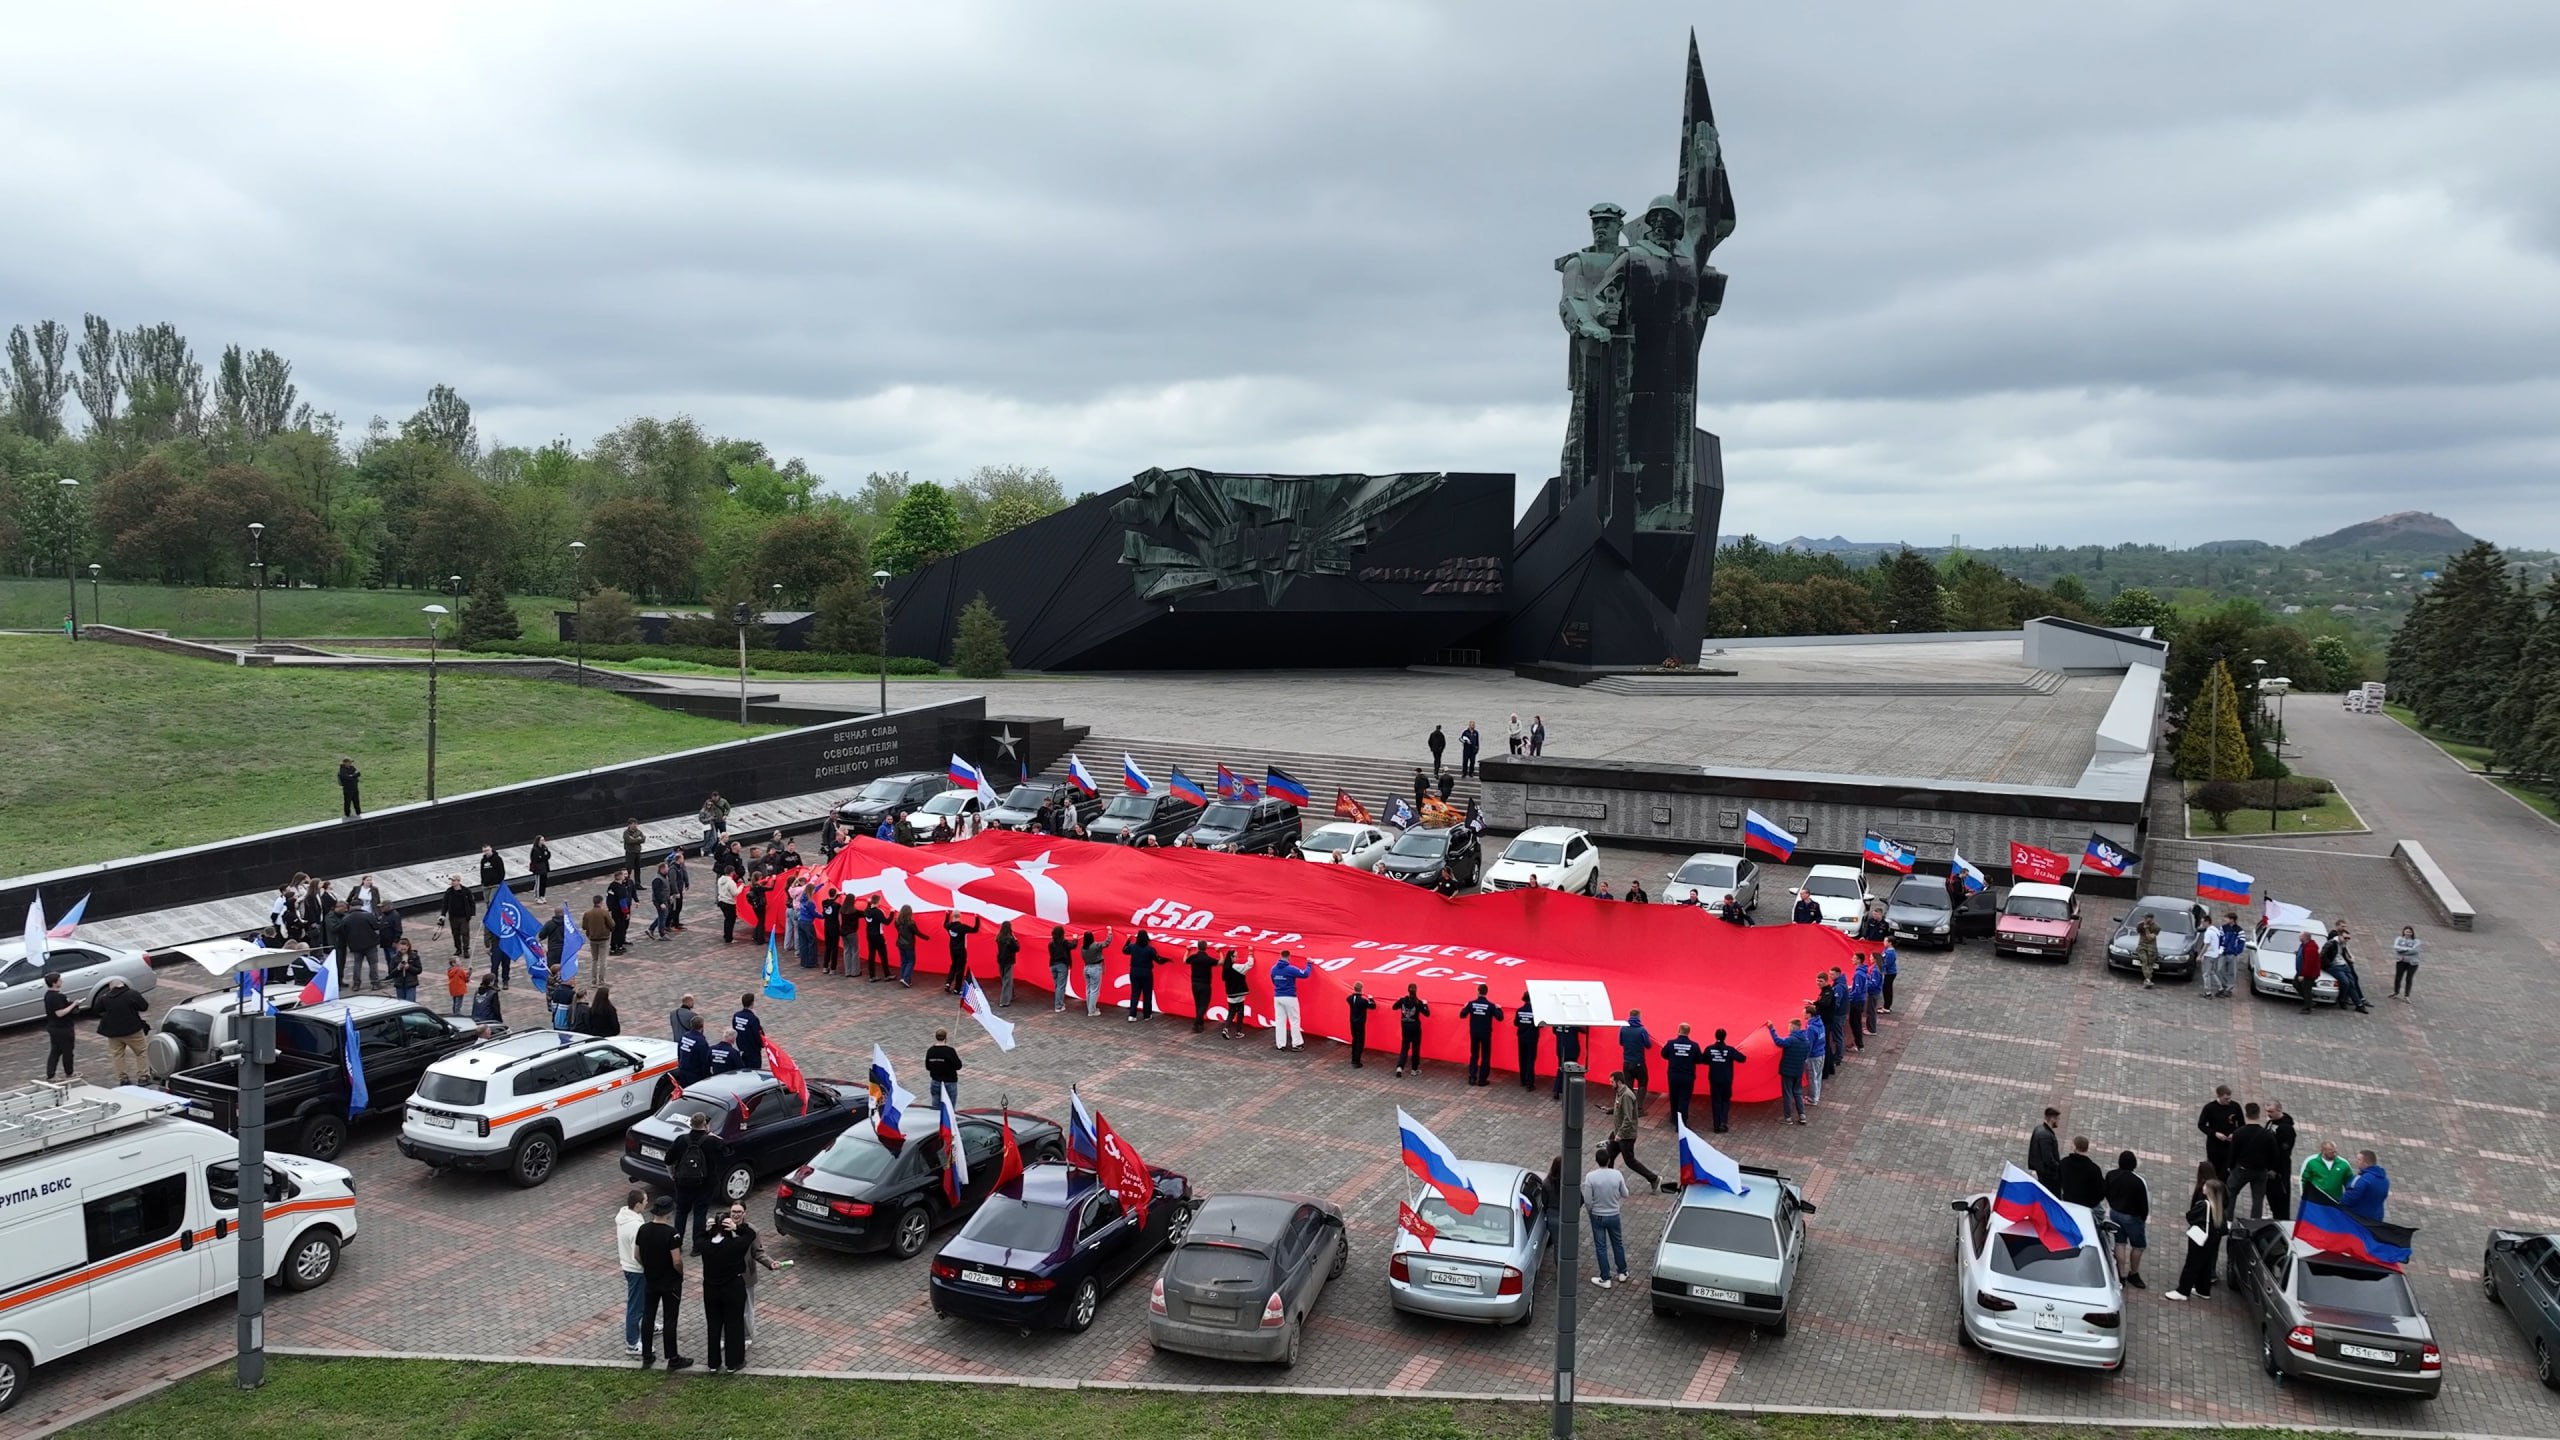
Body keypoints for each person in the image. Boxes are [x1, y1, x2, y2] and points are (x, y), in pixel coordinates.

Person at [635, 1195, 692, 1370]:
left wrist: (649, 1267)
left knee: (648, 1317)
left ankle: (647, 1355)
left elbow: (636, 1255)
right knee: (669, 1319)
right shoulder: (671, 1233)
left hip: (651, 1280)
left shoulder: (643, 1229)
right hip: (670, 1283)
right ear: (668, 1212)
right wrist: (681, 1273)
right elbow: (676, 1260)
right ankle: (673, 1358)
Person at [696, 1204, 751, 1372]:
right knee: (733, 1324)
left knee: (713, 1325)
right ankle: (733, 1362)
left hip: (711, 1289)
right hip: (733, 1288)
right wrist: (738, 1227)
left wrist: (706, 1230)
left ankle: (713, 1363)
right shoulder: (734, 1246)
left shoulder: (705, 1245)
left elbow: (698, 1238)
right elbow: (750, 1234)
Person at [2163, 1162, 2225, 1302]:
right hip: (2211, 1239)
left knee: (2191, 1264)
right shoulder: (2218, 1205)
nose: (2202, 1186)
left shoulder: (2204, 1204)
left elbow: (2190, 1216)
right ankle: (2204, 1290)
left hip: (2200, 1239)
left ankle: (2182, 1291)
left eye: (2205, 1187)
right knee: (2206, 1263)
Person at [667, 1111, 727, 1251]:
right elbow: (727, 1149)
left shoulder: (681, 1139)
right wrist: (713, 1135)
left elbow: (668, 1159)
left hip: (683, 1184)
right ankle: (697, 1246)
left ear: (690, 1124)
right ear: (705, 1125)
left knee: (681, 1213)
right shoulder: (712, 1141)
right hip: (705, 1185)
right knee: (700, 1213)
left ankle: (677, 1244)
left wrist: (672, 1175)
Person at [1600, 1072, 1666, 1190]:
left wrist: (1620, 1134)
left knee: (1630, 1161)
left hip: (1625, 1136)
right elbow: (1620, 1109)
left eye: (1612, 1082)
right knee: (1609, 1156)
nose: (1610, 1084)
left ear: (1619, 1082)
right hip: (1617, 1132)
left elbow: (1628, 1118)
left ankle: (1654, 1179)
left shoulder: (1626, 1096)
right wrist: (1610, 1110)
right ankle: (1609, 1182)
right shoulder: (1619, 1093)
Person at [1582, 1147, 1631, 1288]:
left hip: (1598, 1215)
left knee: (1601, 1246)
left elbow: (1587, 1200)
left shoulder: (1591, 1177)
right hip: (1614, 1214)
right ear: (1609, 1160)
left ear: (1597, 1161)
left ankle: (1605, 1277)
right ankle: (1622, 1272)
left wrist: (1592, 1211)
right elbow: (1625, 1193)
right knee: (1618, 1243)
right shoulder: (1617, 1174)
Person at [2103, 1151, 2150, 1290]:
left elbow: (2106, 1192)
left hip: (2115, 1213)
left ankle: (2121, 1274)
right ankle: (2133, 1273)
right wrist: (2143, 1218)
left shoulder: (2111, 1175)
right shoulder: (2138, 1181)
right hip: (2133, 1217)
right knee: (2138, 1246)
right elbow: (2144, 1204)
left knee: (2120, 1243)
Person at [91, 977, 151, 1084]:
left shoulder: (105, 998)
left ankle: (123, 1078)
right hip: (133, 1030)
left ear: (111, 988)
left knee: (117, 1055)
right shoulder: (132, 994)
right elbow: (144, 1007)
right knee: (141, 1052)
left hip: (113, 1033)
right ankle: (143, 1076)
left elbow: (96, 1010)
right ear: (122, 985)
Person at [616, 1187, 651, 1357]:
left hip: (627, 1266)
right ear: (638, 1204)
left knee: (641, 1300)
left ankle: (648, 1324)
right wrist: (648, 1267)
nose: (647, 1203)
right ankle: (632, 1343)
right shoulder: (636, 1227)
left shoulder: (624, 1217)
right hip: (637, 1270)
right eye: (645, 1201)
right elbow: (639, 1254)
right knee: (635, 1306)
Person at [2228, 1103, 2277, 1218]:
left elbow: (2233, 1153)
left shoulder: (2239, 1133)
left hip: (2242, 1169)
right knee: (2258, 1199)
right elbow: (2274, 1154)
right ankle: (2254, 1224)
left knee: (2231, 1193)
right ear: (2258, 1114)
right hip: (2260, 1171)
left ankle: (2228, 1220)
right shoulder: (2267, 1135)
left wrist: (2231, 1167)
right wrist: (2270, 1168)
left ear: (2246, 1114)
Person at [2196, 1085, 2242, 1183]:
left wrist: (2234, 1134)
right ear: (2219, 1096)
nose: (2228, 1101)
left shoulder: (2235, 1107)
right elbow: (2201, 1125)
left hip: (2230, 1145)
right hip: (2214, 1146)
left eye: (2229, 1098)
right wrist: (2215, 1134)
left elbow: (2242, 1125)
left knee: (2226, 1171)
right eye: (2226, 1099)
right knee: (2213, 1170)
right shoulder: (2210, 1108)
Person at [1660, 1024, 1704, 1127]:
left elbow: (1663, 1054)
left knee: (1674, 1097)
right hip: (1687, 1076)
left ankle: (1674, 1118)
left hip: (1673, 1075)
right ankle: (1682, 1122)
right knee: (1684, 1099)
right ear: (1689, 1032)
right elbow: (1699, 1059)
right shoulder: (1694, 1045)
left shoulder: (1671, 1043)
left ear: (1678, 1030)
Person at [1701, 1027, 1743, 1132]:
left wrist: (1712, 1062)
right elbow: (1742, 1058)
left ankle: (1716, 1125)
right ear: (1725, 1037)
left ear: (1715, 1036)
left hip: (1714, 1079)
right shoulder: (1730, 1050)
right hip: (1726, 1080)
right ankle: (1723, 1122)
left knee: (1716, 1101)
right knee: (1725, 1101)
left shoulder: (1709, 1049)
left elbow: (1702, 1060)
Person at [1269, 950, 1310, 1050]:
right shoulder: (1290, 969)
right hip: (1290, 997)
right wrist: (1309, 964)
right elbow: (1305, 974)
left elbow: (1273, 981)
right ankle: (1296, 1044)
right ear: (1289, 957)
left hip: (1278, 997)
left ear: (1280, 956)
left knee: (1280, 1021)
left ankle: (1280, 1044)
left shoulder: (1273, 969)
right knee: (1294, 1020)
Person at [2263, 1100, 2297, 1219]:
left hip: (2279, 1171)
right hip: (2268, 1167)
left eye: (2271, 1111)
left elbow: (2283, 1153)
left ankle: (2281, 1219)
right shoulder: (2271, 1122)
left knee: (2280, 1198)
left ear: (2279, 1110)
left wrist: (2275, 1170)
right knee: (2271, 1196)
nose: (2268, 1114)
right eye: (2267, 1111)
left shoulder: (2286, 1129)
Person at [1460, 984, 1500, 1085]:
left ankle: (1472, 1077)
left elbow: (1462, 1015)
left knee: (1474, 1055)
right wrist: (1498, 1008)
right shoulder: (1490, 1005)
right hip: (1485, 1034)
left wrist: (1465, 1007)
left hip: (1474, 1033)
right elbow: (1500, 1017)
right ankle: (1482, 1080)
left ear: (1478, 991)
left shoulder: (1471, 1004)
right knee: (1485, 1056)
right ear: (1486, 992)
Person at [41, 974, 78, 1080]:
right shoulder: (58, 997)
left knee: (55, 1051)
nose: (61, 981)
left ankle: (51, 1074)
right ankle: (69, 1073)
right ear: (54, 983)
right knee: (67, 1052)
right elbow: (60, 1013)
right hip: (63, 1028)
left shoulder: (48, 995)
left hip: (53, 1027)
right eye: (59, 980)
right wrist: (73, 1005)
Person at [2057, 1136, 2107, 1209]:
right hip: (2087, 1206)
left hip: (2068, 1201)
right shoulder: (2094, 1169)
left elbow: (2058, 1180)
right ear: (2086, 1149)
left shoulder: (2064, 1163)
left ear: (2074, 1147)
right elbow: (2101, 1192)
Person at [1616, 1009, 1652, 1110]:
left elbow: (1621, 1042)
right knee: (1642, 1083)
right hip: (1639, 1062)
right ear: (1639, 1017)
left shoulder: (1623, 1028)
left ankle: (1628, 1105)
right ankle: (1639, 1108)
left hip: (1627, 1062)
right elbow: (1648, 1045)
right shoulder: (1642, 1030)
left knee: (1628, 1085)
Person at [2301, 1140, 2352, 1209]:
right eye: (2331, 1152)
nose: (2334, 1154)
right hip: (2316, 1202)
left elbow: (2349, 1183)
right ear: (2323, 1151)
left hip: (2335, 1202)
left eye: (2335, 1151)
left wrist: (2347, 1200)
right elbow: (2305, 1181)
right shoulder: (2312, 1163)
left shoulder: (2343, 1164)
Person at [2342, 1149, 2389, 1222]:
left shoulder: (2361, 1179)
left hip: (2358, 1219)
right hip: (2376, 1219)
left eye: (2359, 1160)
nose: (2356, 1162)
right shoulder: (2385, 1181)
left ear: (2365, 1162)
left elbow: (2348, 1199)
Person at [1120, 927, 1157, 1020]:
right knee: (1147, 994)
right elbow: (1156, 958)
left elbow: (1124, 950)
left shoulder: (1132, 947)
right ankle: (1147, 1015)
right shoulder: (1150, 949)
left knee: (1135, 994)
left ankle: (1132, 1015)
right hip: (1146, 973)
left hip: (1134, 972)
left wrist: (1127, 941)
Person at [924, 1028, 963, 1109]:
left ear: (936, 1037)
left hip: (936, 1082)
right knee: (950, 1108)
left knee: (935, 1107)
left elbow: (928, 1067)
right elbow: (958, 1066)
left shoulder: (930, 1051)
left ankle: (936, 1120)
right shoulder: (950, 1051)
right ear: (945, 1038)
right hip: (950, 1082)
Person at [1184, 940, 1216, 1033]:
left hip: (1194, 984)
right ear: (1206, 947)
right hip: (1205, 984)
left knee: (1198, 1005)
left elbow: (1185, 960)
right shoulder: (1207, 959)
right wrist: (1219, 952)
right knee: (1204, 1005)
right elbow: (1220, 962)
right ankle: (1196, 1023)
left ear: (1197, 947)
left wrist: (1187, 951)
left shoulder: (1194, 957)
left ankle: (1200, 1024)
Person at [1220, 948, 1252, 1039]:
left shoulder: (1225, 968)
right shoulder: (1235, 967)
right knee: (1240, 1012)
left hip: (1230, 994)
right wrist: (1250, 954)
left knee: (1231, 1012)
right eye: (1235, 956)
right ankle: (1238, 1031)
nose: (1236, 958)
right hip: (1239, 993)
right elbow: (1249, 965)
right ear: (1231, 957)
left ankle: (1226, 1028)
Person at [2027, 1107, 2063, 1190]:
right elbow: (2048, 1159)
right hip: (2048, 1175)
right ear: (2053, 1119)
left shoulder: (2038, 1129)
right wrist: (2059, 1168)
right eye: (2058, 1119)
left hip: (2041, 1172)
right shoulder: (2046, 1136)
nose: (2058, 1122)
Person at [440, 877, 475, 958]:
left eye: (453, 880)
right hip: (453, 917)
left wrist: (471, 913)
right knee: (455, 934)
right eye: (451, 880)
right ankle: (458, 949)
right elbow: (445, 903)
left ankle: (466, 949)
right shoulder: (449, 891)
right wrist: (443, 914)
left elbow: (471, 902)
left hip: (464, 917)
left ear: (458, 881)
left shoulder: (466, 891)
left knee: (465, 933)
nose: (452, 882)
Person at [1513, 991, 1540, 1091]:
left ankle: (1523, 1080)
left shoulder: (1519, 1010)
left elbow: (1516, 1023)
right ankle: (1530, 1083)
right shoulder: (1536, 1012)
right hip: (1532, 1038)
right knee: (1530, 1060)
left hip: (1521, 1037)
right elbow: (1540, 1025)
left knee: (1522, 1059)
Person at [1345, 982, 1377, 1067]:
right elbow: (1373, 1006)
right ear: (1361, 989)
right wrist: (1371, 999)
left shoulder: (1350, 998)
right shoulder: (1363, 1001)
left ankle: (1353, 1058)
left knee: (1355, 1040)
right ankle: (1356, 1061)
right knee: (1360, 1042)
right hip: (1360, 1024)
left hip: (1352, 1022)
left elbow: (1348, 998)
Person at [1550, 1023, 1583, 1101]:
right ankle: (1568, 1090)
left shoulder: (1556, 1021)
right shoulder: (1573, 1021)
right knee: (1571, 1070)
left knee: (1561, 1068)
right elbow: (1583, 1030)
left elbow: (1554, 1031)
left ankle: (1557, 1090)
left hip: (1560, 1048)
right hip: (1572, 1048)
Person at [2293, 930, 2324, 1012]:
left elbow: (2308, 963)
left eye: (2300, 936)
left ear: (2305, 937)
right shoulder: (2304, 945)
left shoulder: (2311, 948)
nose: (2299, 937)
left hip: (2309, 974)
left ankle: (2307, 1007)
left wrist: (2302, 975)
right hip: (2302, 971)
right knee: (2296, 984)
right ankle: (2310, 1002)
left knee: (2307, 989)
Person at [1081, 930, 1110, 1017]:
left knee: (1089, 989)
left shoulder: (1083, 947)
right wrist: (1110, 933)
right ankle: (1092, 1011)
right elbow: (1106, 943)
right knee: (1094, 990)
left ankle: (1090, 1008)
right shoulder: (1095, 946)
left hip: (1086, 968)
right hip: (1095, 968)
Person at [732, 994, 764, 1070]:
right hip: (752, 1051)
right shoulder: (753, 1018)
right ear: (752, 1003)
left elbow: (734, 1028)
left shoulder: (737, 1015)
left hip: (741, 1048)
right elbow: (757, 1036)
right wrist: (762, 1044)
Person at [861, 897, 891, 980]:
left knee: (871, 955)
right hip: (878, 935)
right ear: (878, 902)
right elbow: (886, 922)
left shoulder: (867, 910)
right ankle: (887, 975)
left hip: (870, 935)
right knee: (883, 955)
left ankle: (872, 975)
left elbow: (868, 907)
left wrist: (868, 903)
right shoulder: (878, 912)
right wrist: (892, 913)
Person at [991, 919, 1019, 1005]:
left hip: (1000, 960)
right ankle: (1004, 1001)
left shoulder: (999, 938)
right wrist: (1016, 940)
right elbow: (1017, 948)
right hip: (1009, 961)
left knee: (1005, 978)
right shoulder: (1010, 939)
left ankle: (1011, 995)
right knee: (1007, 979)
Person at [1048, 926, 1075, 1012]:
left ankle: (1059, 1003)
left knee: (1057, 986)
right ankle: (1058, 1006)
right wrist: (1075, 939)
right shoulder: (1064, 942)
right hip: (1061, 966)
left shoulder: (1051, 944)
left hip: (1052, 966)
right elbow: (1073, 946)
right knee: (1061, 986)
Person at [2390, 925, 2421, 999]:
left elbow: (2415, 951)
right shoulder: (2399, 939)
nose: (2408, 933)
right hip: (2401, 961)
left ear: (2412, 933)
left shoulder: (2416, 941)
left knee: (2409, 978)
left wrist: (2403, 951)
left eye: (2410, 932)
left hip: (2412, 963)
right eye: (2406, 931)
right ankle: (2396, 992)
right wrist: (2408, 949)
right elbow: (2396, 948)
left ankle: (2407, 995)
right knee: (2398, 977)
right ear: (2403, 932)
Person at [2133, 911, 2161, 989]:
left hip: (2151, 946)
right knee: (2144, 960)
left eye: (2146, 918)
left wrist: (2147, 928)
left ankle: (2147, 979)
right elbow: (2138, 931)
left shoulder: (2157, 927)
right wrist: (2141, 925)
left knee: (2150, 961)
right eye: (2144, 918)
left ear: (2151, 919)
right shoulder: (2141, 924)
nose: (2144, 919)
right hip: (2142, 945)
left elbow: (2150, 938)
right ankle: (2148, 979)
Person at [893, 905, 920, 987]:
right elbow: (917, 932)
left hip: (900, 944)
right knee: (911, 961)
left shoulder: (897, 921)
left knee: (904, 961)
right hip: (909, 945)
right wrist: (927, 938)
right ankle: (906, 978)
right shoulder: (911, 923)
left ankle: (903, 977)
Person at [716, 869, 742, 944]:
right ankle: (729, 938)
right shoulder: (731, 882)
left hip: (721, 901)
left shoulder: (720, 879)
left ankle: (726, 935)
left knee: (727, 920)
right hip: (729, 903)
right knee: (730, 921)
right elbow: (735, 893)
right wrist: (741, 887)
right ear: (732, 872)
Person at [526, 835, 551, 899]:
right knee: (538, 883)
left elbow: (548, 855)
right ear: (538, 841)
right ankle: (537, 897)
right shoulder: (535, 849)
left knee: (543, 883)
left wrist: (544, 856)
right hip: (538, 869)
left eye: (544, 840)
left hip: (544, 868)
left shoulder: (544, 848)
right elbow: (536, 859)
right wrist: (543, 857)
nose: (543, 841)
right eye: (542, 840)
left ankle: (542, 896)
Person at [1878, 942, 1898, 1013]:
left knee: (1887, 989)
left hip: (1890, 973)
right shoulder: (1887, 950)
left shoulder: (1891, 953)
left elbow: (1887, 964)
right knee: (1886, 989)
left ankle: (1886, 1007)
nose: (1884, 942)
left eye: (1885, 941)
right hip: (1888, 973)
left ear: (1890, 943)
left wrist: (1881, 968)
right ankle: (1886, 1005)